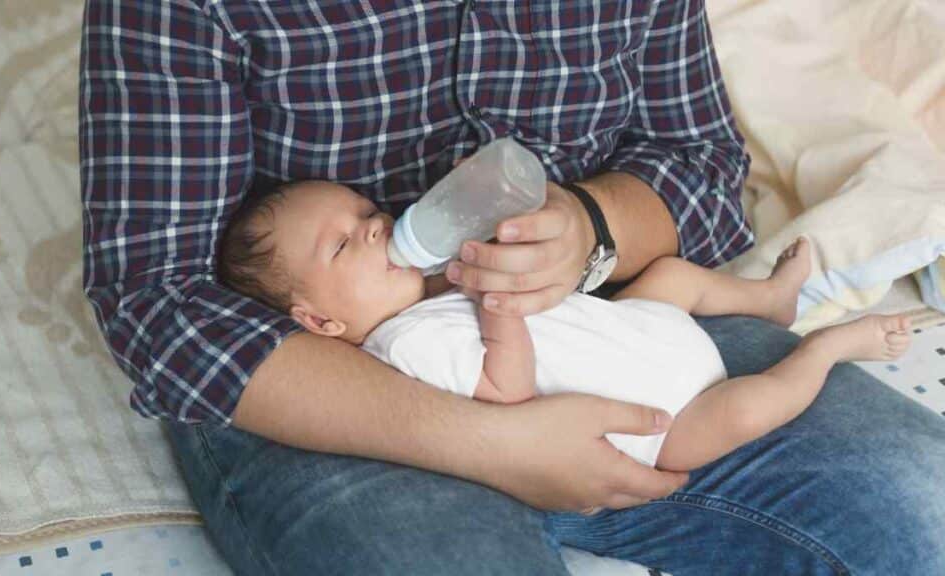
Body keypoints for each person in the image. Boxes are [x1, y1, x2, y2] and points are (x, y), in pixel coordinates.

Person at [80, 0, 945, 573]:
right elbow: (160, 298)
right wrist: (490, 441)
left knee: (923, 510)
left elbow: (707, 171)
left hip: (607, 330)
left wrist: (592, 225)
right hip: (327, 388)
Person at [216, 179, 912, 484]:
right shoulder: (401, 347)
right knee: (753, 405)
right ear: (319, 322)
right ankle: (830, 345)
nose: (372, 226)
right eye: (343, 246)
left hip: (634, 327)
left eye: (365, 212)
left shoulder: (426, 290)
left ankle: (772, 299)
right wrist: (498, 305)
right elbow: (503, 391)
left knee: (670, 275)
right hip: (663, 423)